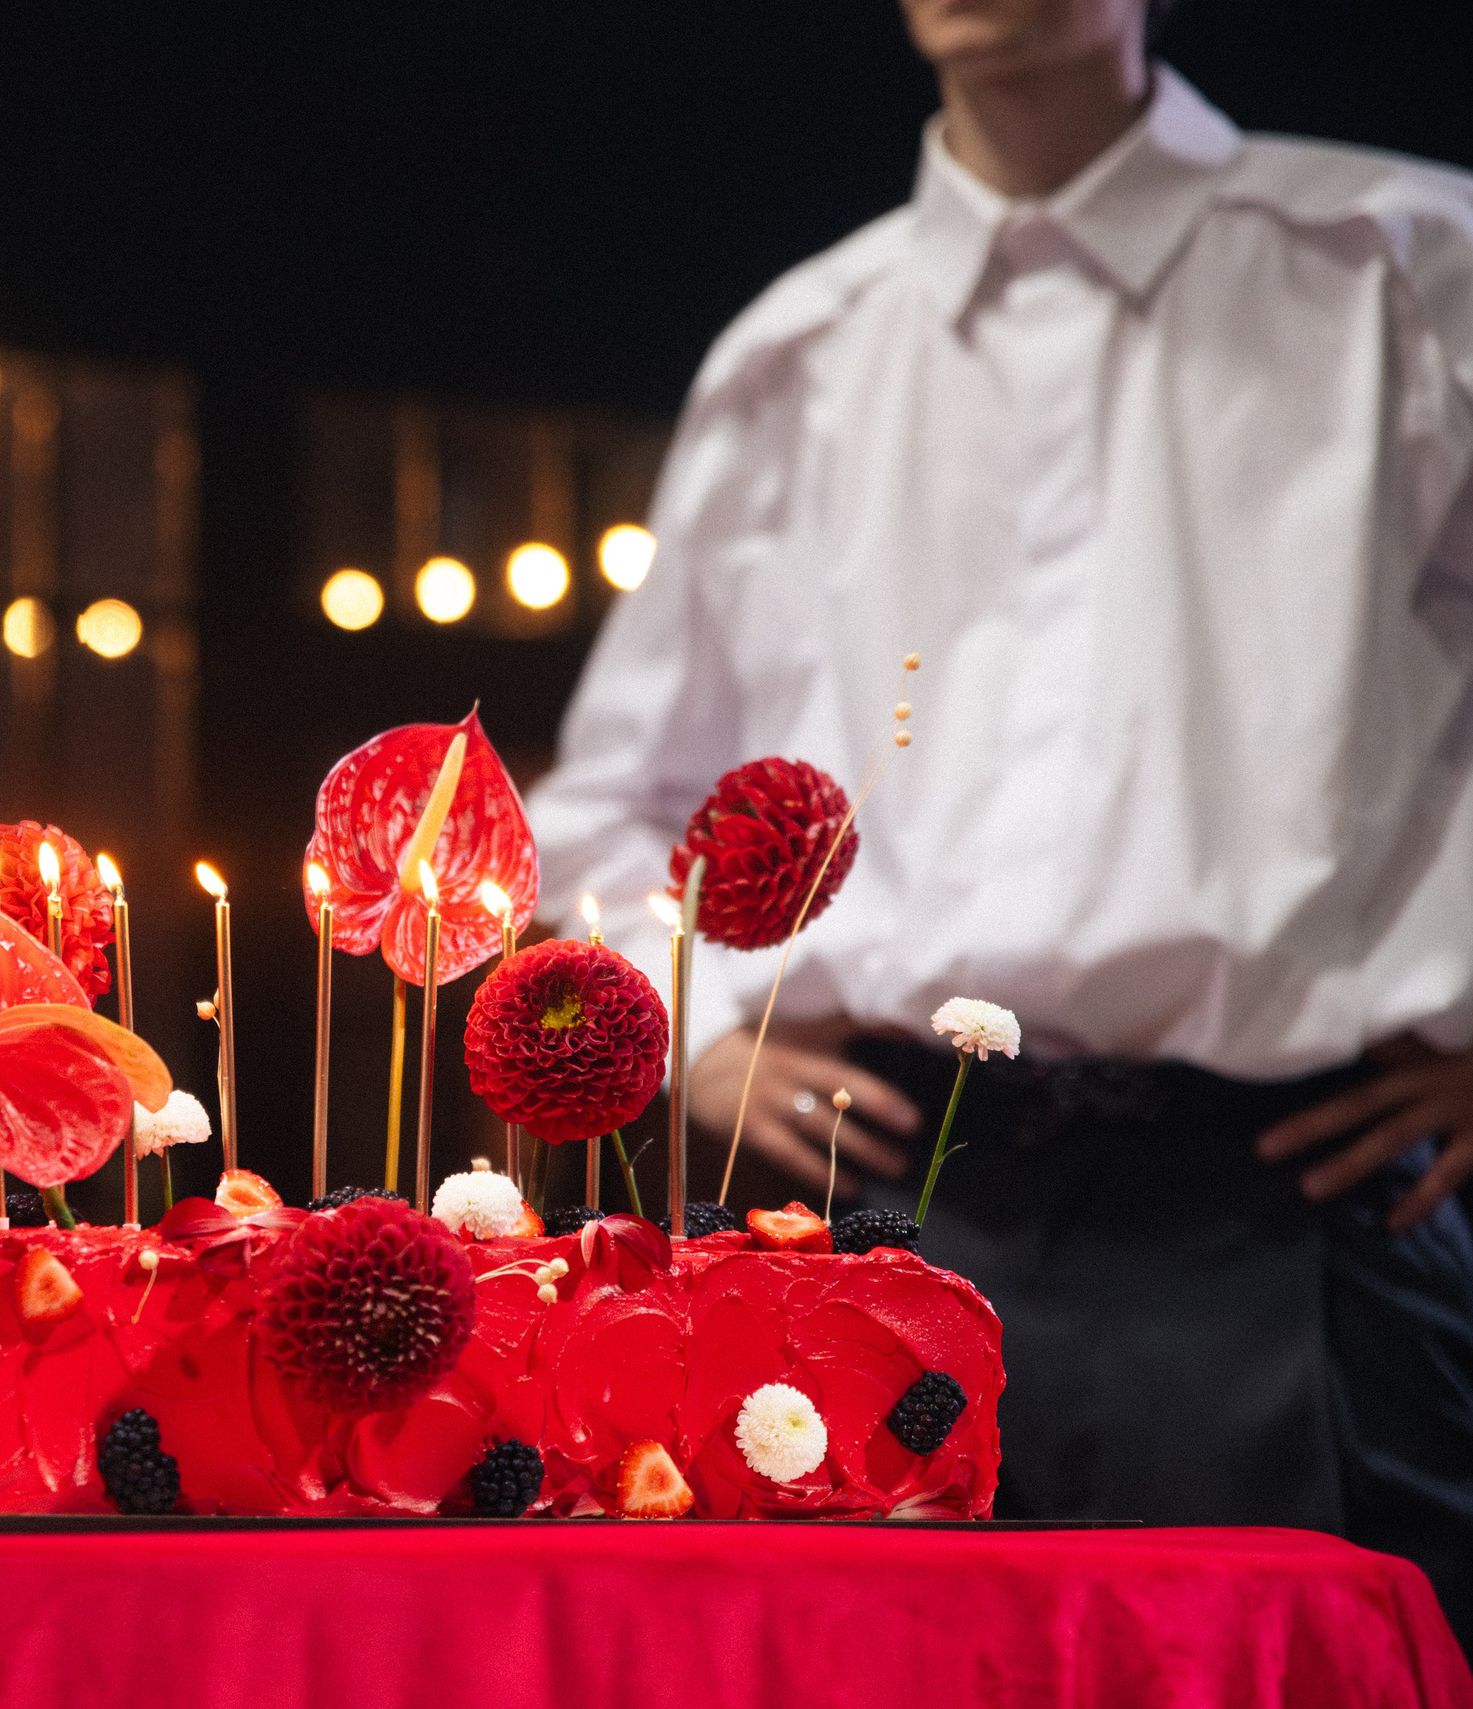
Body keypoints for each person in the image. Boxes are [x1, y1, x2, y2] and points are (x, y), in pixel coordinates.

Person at [529, 0, 1473, 1635]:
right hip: (882, 1225)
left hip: (1300, 1203)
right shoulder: (802, 348)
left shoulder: (1401, 266)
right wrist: (710, 1029)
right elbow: (612, 802)